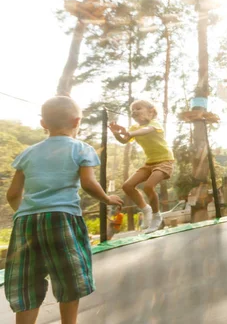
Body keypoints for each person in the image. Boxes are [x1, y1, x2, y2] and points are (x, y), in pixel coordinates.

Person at [4, 96, 123, 324]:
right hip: (62, 218)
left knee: (27, 281)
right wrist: (108, 199)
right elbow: (88, 183)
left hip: (26, 221)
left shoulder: (27, 153)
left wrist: (26, 212)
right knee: (69, 277)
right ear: (77, 121)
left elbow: (12, 194)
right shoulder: (81, 148)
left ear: (43, 124)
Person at [109, 100, 174, 234]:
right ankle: (146, 209)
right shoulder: (133, 128)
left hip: (164, 160)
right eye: (132, 110)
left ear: (151, 111)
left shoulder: (154, 124)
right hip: (149, 162)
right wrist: (116, 133)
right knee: (127, 186)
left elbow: (146, 131)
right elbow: (124, 141)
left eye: (138, 108)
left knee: (148, 186)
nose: (134, 112)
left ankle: (157, 217)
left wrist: (130, 133)